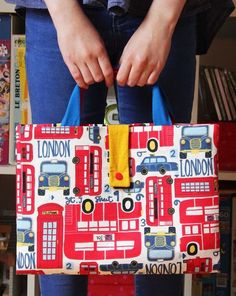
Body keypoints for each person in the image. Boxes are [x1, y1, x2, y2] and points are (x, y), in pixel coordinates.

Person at [5, 0, 234, 295]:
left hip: (167, 13)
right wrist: (65, 17)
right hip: (55, 14)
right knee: (58, 269)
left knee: (166, 260)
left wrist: (162, 20)